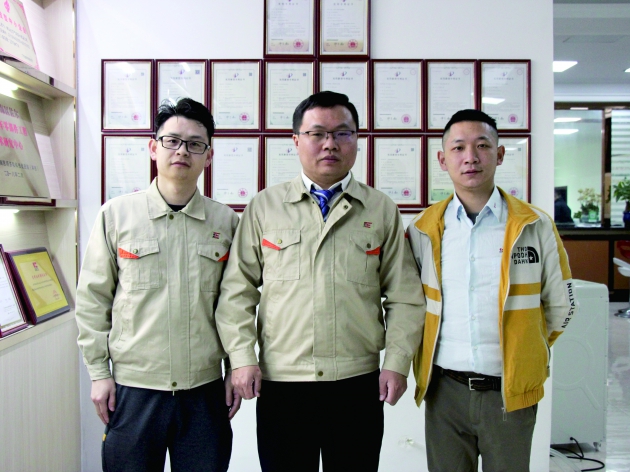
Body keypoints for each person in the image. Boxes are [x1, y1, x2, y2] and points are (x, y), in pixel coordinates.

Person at [215, 91, 425, 471]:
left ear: (357, 140)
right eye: (317, 134)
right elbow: (236, 292)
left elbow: (405, 296)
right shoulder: (265, 207)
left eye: (342, 133)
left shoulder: (380, 210)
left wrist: (397, 362)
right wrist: (242, 358)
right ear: (296, 140)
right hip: (283, 382)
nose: (330, 144)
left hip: (357, 382)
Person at [76, 98, 240, 472]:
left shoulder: (226, 223)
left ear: (208, 156)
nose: (182, 151)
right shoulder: (116, 215)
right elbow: (92, 301)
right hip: (134, 390)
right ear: (154, 148)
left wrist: (235, 367)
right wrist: (99, 374)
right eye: (172, 141)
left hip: (203, 392)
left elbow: (236, 304)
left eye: (195, 144)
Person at [407, 109, 576, 472]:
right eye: (458, 148)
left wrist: (527, 347)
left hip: (509, 392)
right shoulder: (422, 229)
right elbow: (410, 305)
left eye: (482, 146)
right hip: (444, 391)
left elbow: (561, 305)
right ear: (443, 160)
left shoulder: (534, 225)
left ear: (499, 155)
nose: (471, 157)